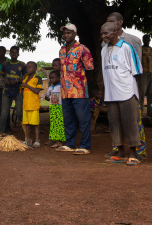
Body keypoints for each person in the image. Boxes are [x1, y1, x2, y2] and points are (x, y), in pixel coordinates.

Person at [100, 22, 143, 165]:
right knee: (114, 124)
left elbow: (137, 72)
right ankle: (120, 152)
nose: (103, 36)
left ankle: (133, 153)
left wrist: (136, 92)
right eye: (102, 33)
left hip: (127, 92)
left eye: (106, 33)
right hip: (111, 94)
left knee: (130, 123)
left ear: (116, 32)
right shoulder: (104, 50)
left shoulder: (126, 47)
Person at [56, 23, 94, 155]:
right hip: (65, 92)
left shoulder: (83, 49)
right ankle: (70, 144)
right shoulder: (61, 50)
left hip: (79, 91)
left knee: (83, 120)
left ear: (75, 34)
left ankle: (85, 146)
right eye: (65, 33)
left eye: (69, 33)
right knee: (68, 119)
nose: (66, 35)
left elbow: (90, 67)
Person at [0, 46, 26, 141]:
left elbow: (25, 77)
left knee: (19, 112)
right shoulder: (6, 64)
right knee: (4, 113)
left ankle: (26, 134)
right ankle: (0, 133)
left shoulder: (22, 64)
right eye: (12, 52)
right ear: (10, 54)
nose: (14, 54)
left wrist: (17, 80)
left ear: (18, 53)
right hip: (7, 91)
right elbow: (2, 76)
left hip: (18, 91)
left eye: (16, 52)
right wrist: (5, 81)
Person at [21, 62, 43, 147]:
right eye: (27, 67)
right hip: (25, 104)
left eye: (29, 67)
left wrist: (26, 85)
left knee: (35, 123)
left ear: (34, 68)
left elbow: (37, 91)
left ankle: (37, 140)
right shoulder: (25, 77)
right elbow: (22, 90)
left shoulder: (38, 78)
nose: (27, 69)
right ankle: (28, 140)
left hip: (34, 105)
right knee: (26, 124)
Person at [45, 70, 65, 148]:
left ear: (59, 78)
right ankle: (54, 139)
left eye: (53, 78)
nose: (51, 80)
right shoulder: (50, 88)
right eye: (50, 78)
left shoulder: (62, 87)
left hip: (60, 107)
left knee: (59, 124)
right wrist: (50, 99)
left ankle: (59, 141)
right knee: (53, 124)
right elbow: (46, 96)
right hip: (53, 108)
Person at [140, 34, 152, 117]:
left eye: (148, 39)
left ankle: (150, 115)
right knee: (142, 94)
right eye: (145, 39)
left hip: (151, 73)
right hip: (143, 74)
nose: (147, 40)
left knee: (151, 95)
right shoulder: (140, 49)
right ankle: (140, 114)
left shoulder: (151, 50)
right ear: (143, 40)